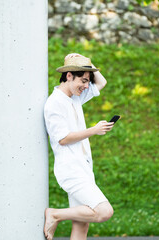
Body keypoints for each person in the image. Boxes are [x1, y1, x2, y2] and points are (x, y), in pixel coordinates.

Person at [43, 53, 115, 240]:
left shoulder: (75, 97)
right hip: (71, 170)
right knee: (104, 211)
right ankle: (55, 214)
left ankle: (57, 215)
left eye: (86, 81)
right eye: (83, 81)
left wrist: (86, 61)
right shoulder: (54, 103)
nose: (86, 86)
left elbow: (101, 82)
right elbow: (63, 138)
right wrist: (94, 130)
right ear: (68, 76)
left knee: (81, 227)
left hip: (83, 168)